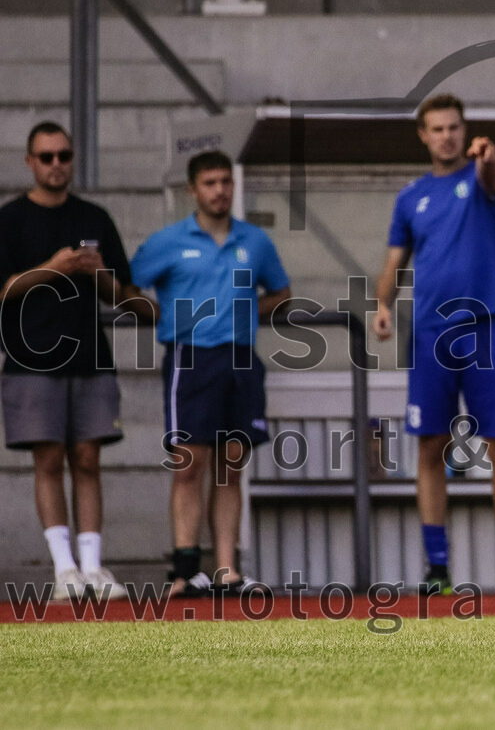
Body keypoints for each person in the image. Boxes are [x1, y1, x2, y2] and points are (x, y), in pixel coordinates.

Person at [374, 93, 495, 595]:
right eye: (438, 128)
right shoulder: (410, 197)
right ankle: (437, 570)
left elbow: (493, 179)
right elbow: (393, 262)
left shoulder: (483, 175)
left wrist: (489, 159)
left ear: (464, 130)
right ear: (424, 135)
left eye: (455, 127)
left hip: (486, 327)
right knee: (430, 446)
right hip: (429, 333)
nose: (447, 135)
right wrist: (383, 306)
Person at [0, 121, 155, 601]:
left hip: (90, 355)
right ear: (30, 161)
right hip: (30, 356)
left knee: (88, 458)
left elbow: (124, 295)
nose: (55, 165)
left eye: (63, 156)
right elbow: (5, 289)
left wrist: (98, 274)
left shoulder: (95, 217)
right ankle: (63, 569)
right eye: (45, 157)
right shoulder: (10, 219)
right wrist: (55, 267)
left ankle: (91, 567)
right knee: (48, 459)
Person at [131, 151, 290, 597]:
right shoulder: (168, 241)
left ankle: (226, 571)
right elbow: (128, 282)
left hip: (240, 359)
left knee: (231, 468)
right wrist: (160, 318)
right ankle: (183, 571)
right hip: (191, 357)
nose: (220, 190)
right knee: (189, 464)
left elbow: (281, 292)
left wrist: (244, 313)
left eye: (225, 182)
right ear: (193, 190)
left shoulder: (254, 241)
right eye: (210, 183)